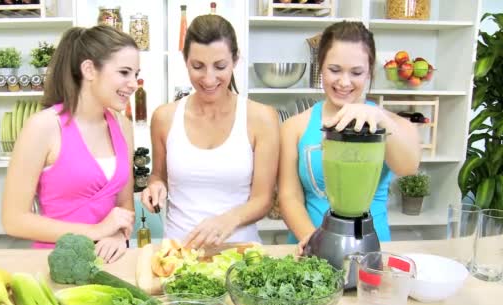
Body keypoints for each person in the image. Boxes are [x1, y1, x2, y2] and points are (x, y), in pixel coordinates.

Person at [278, 21, 420, 251]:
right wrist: (316, 242)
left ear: (369, 72)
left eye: (356, 72)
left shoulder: (393, 124)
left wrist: (381, 120)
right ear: (320, 66)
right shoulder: (293, 127)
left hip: (370, 249)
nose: (344, 82)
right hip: (308, 248)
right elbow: (289, 197)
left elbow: (408, 166)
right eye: (334, 70)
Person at [2, 25, 138, 263]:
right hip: (55, 262)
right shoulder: (42, 127)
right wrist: (95, 232)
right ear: (89, 70)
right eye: (124, 72)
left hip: (109, 262)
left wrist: (118, 234)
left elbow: (124, 204)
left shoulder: (123, 125)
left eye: (136, 74)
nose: (134, 83)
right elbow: (13, 220)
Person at [141, 14, 279, 249]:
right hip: (179, 252)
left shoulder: (262, 118)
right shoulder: (164, 117)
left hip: (240, 252)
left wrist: (227, 221)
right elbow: (158, 176)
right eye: (197, 66)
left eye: (220, 66)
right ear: (185, 60)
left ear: (235, 60)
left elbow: (263, 199)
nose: (208, 78)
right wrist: (154, 188)